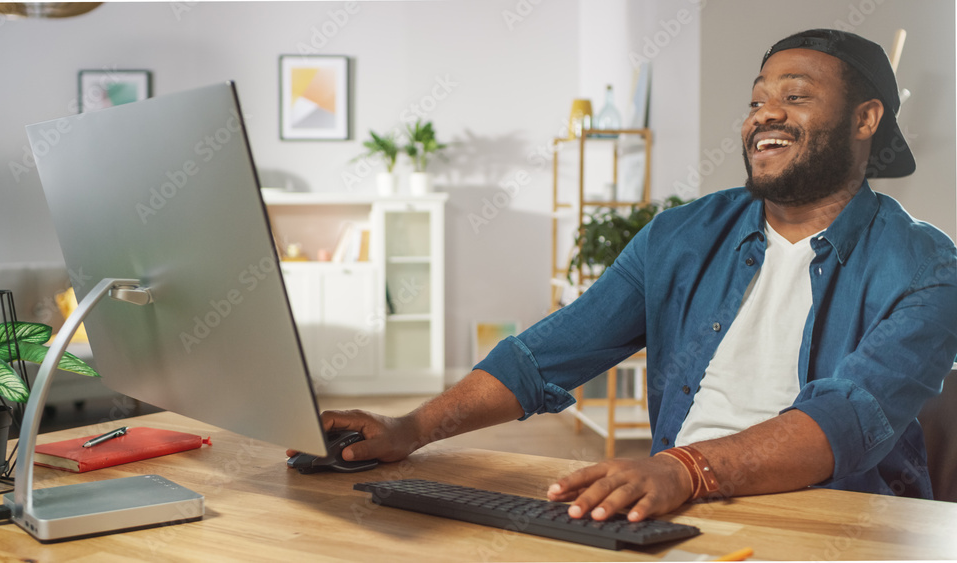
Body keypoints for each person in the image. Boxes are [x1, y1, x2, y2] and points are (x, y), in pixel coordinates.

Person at [288, 29, 957, 522]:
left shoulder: (929, 267)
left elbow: (848, 417)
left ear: (866, 119)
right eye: (756, 100)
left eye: (795, 95)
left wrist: (684, 467)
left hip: (837, 524)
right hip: (683, 504)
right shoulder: (681, 235)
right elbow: (541, 355)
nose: (763, 114)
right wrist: (409, 429)